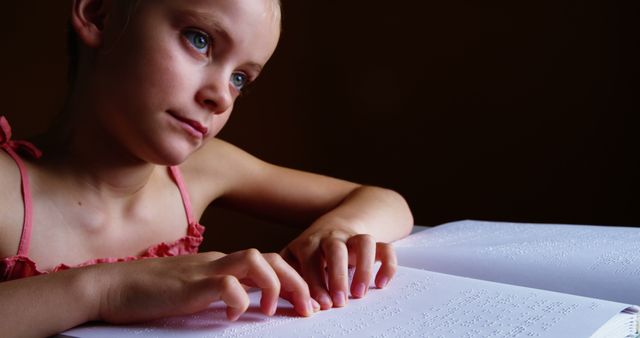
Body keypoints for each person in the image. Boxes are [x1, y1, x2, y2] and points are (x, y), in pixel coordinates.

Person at [0, 0, 413, 336]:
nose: (221, 97)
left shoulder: (203, 169)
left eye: (240, 79)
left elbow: (386, 201)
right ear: (98, 14)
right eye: (199, 40)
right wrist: (107, 289)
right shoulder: (6, 190)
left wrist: (334, 232)